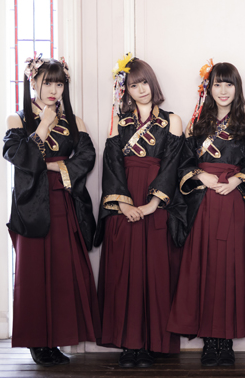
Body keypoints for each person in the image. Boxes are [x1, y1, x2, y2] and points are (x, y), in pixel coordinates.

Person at [3, 54, 100, 366]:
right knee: (33, 274)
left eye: (59, 84)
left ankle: (57, 338)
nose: (54, 90)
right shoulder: (17, 119)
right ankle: (37, 342)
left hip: (64, 203)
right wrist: (43, 126)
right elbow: (17, 156)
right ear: (33, 83)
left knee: (63, 273)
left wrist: (55, 166)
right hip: (31, 206)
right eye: (47, 83)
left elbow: (86, 156)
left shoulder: (74, 122)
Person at [166, 61, 245, 367]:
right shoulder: (196, 123)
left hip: (233, 203)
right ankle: (209, 340)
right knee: (204, 267)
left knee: (231, 267)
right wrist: (200, 175)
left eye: (228, 84)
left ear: (237, 88)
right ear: (209, 89)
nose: (223, 90)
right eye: (217, 84)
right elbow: (182, 163)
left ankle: (226, 340)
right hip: (202, 204)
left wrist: (236, 180)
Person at [94, 54, 183, 368]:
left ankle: (151, 344)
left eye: (144, 82)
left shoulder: (172, 120)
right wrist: (123, 203)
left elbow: (172, 165)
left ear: (152, 83)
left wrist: (152, 204)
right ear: (126, 90)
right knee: (125, 275)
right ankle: (128, 345)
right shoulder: (118, 121)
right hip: (125, 201)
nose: (141, 89)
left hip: (156, 203)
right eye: (134, 85)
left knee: (155, 274)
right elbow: (112, 164)